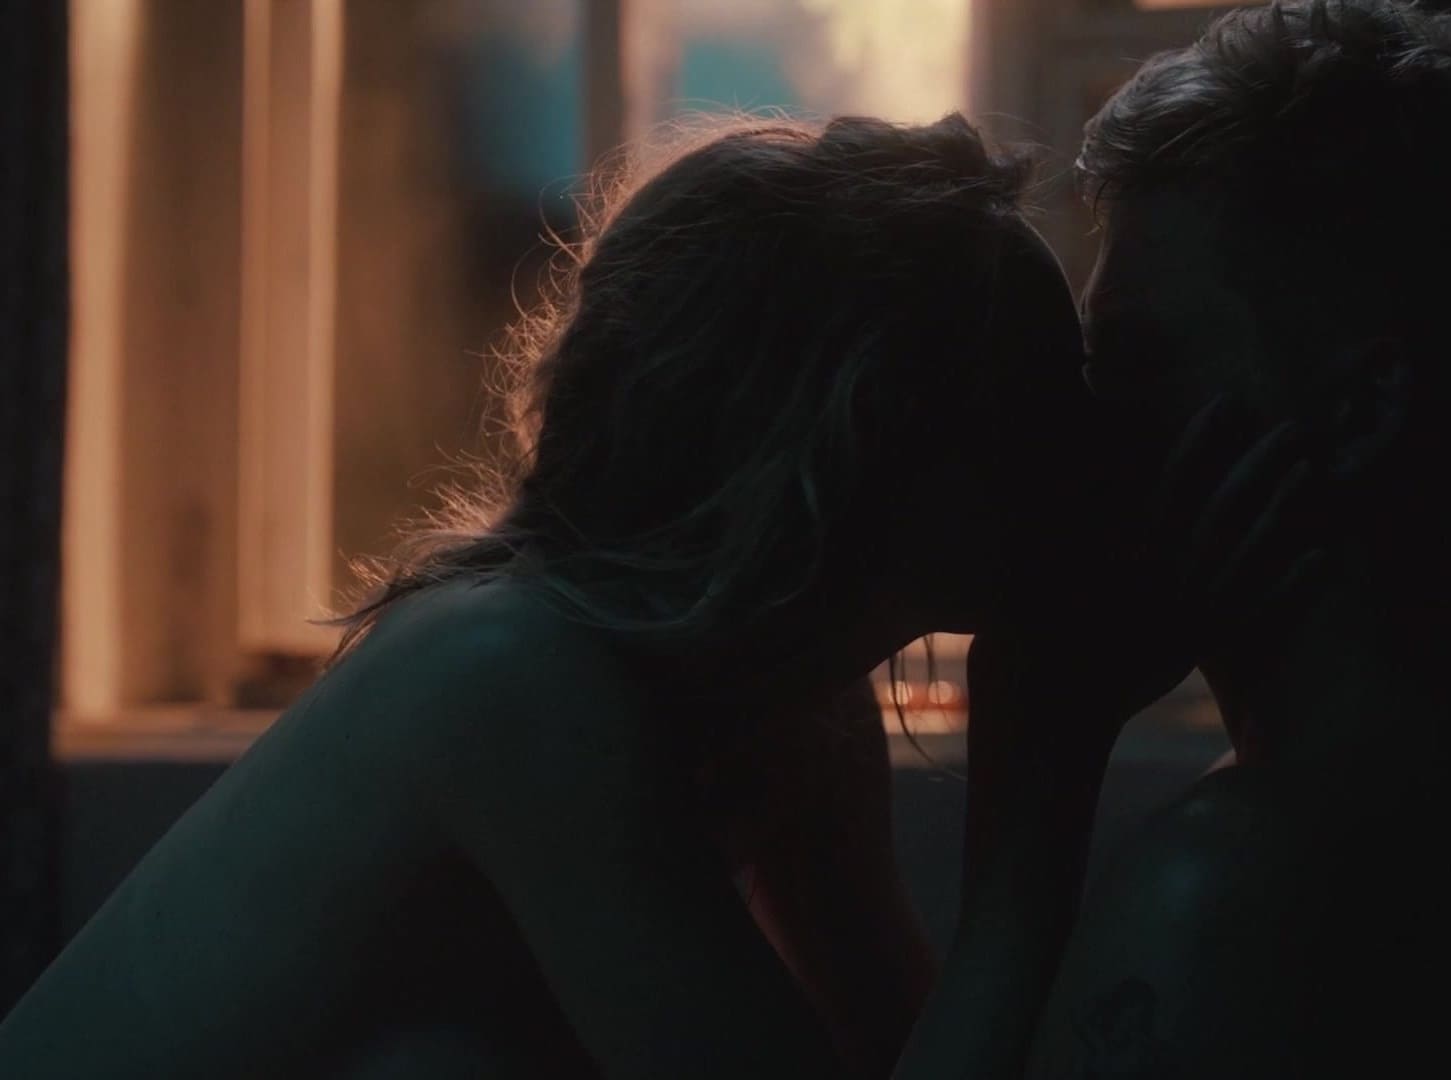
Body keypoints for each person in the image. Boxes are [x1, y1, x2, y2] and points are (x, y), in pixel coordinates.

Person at [0, 113, 1312, 1078]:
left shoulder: (792, 704)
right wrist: (1039, 796)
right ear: (857, 448)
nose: (1088, 446)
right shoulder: (514, 681)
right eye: (1036, 396)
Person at [1016, 2, 1451, 1075]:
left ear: (1364, 407)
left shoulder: (1232, 878)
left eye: (1137, 360)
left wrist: (1030, 815)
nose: (1083, 422)